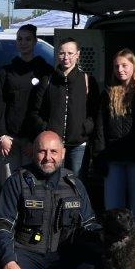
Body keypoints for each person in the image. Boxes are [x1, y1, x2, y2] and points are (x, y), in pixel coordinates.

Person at [0, 130, 105, 269]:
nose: (48, 157)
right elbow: (3, 225)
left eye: (53, 151)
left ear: (63, 154)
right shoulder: (17, 182)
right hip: (28, 252)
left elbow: (89, 223)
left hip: (63, 252)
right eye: (42, 151)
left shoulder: (74, 184)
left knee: (100, 263)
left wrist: (108, 240)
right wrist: (8, 260)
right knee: (2, 265)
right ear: (33, 152)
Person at [94, 49, 135, 240]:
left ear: (133, 66)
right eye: (117, 66)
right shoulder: (108, 92)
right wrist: (99, 157)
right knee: (113, 211)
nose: (120, 70)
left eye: (124, 65)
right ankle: (115, 250)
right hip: (113, 158)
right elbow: (100, 127)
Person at [0, 24, 53, 182]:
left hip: (33, 141)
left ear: (35, 41)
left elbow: (47, 107)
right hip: (8, 140)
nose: (23, 42)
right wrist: (2, 134)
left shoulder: (45, 71)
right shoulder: (5, 71)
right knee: (9, 184)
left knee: (32, 185)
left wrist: (35, 140)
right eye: (20, 39)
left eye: (28, 39)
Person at [31, 39, 97, 175]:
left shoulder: (87, 80)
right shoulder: (48, 80)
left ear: (78, 54)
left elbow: (95, 111)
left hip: (78, 144)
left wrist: (85, 128)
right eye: (62, 53)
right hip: (53, 145)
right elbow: (35, 110)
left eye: (70, 53)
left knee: (77, 183)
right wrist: (46, 129)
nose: (66, 57)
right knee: (53, 182)